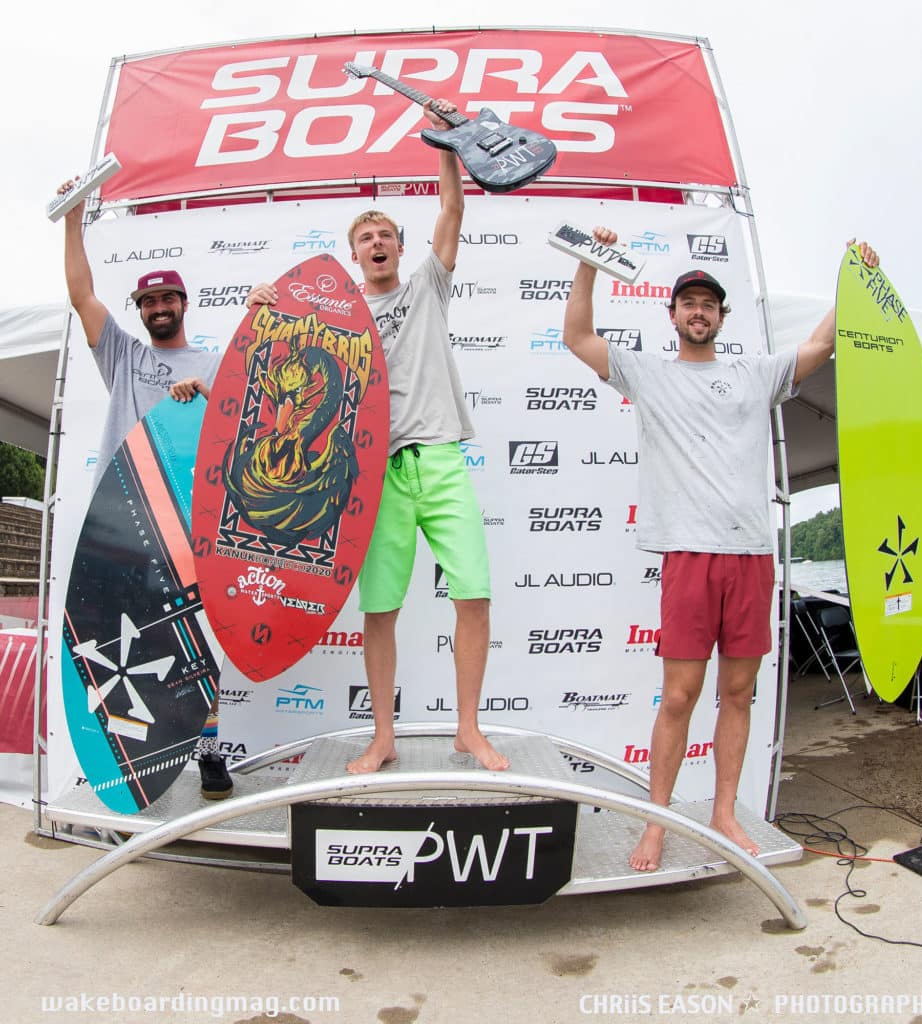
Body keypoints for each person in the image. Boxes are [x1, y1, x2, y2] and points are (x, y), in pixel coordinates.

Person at [562, 227, 878, 871]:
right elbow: (577, 338)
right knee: (678, 697)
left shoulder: (756, 375)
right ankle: (657, 821)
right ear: (672, 315)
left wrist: (854, 282)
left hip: (752, 558)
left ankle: (725, 812)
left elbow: (820, 343)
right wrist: (589, 262)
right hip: (688, 556)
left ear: (720, 317)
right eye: (688, 303)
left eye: (708, 303)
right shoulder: (649, 373)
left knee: (738, 694)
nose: (698, 312)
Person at [246, 99, 510, 774]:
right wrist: (261, 306)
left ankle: (469, 730)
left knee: (474, 596)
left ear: (398, 242)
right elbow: (281, 361)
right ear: (354, 254)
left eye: (386, 234)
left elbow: (451, 212)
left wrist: (449, 142)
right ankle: (383, 738)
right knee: (381, 611)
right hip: (376, 474)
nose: (377, 244)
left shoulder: (427, 286)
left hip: (441, 458)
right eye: (365, 238)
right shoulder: (339, 314)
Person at [59, 179, 231, 799]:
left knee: (192, 643)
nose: (158, 306)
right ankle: (120, 756)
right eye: (148, 300)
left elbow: (238, 425)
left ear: (184, 303)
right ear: (140, 310)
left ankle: (210, 751)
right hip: (122, 519)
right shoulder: (124, 358)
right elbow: (82, 295)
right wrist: (74, 215)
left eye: (167, 297)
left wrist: (202, 396)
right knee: (113, 642)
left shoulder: (212, 365)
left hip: (186, 523)